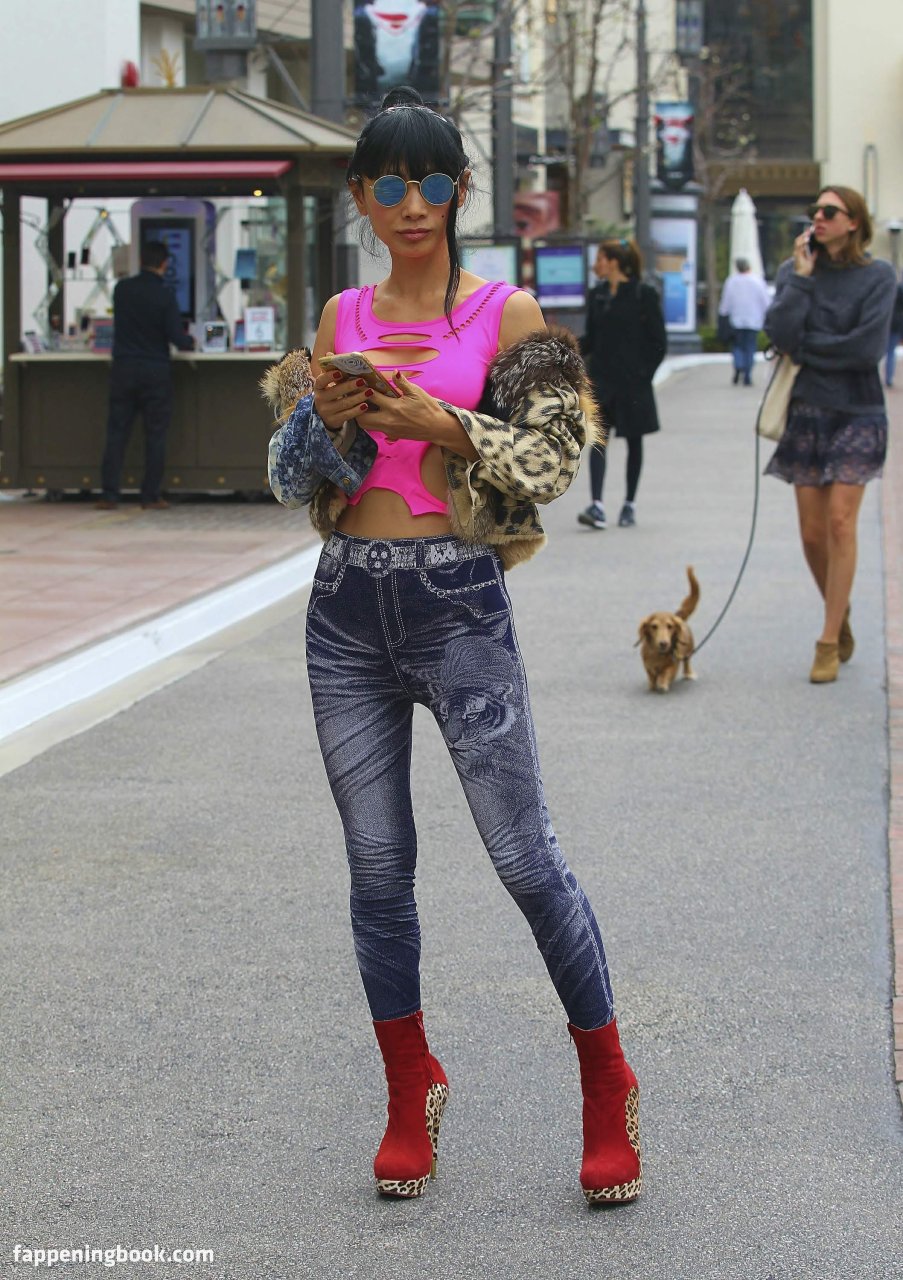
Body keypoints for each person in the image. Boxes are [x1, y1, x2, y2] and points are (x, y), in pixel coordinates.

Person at [265, 86, 642, 1204]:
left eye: (433, 181)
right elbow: (288, 480)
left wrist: (445, 424)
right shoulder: (340, 316)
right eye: (390, 183)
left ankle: (607, 1081)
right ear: (361, 198)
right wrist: (325, 418)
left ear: (461, 191)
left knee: (524, 858)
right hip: (346, 610)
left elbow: (552, 464)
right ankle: (408, 1086)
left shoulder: (506, 314)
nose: (413, 202)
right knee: (377, 868)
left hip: (457, 603)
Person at [764, 185, 896, 684]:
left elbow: (865, 351)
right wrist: (800, 280)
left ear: (854, 222)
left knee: (841, 522)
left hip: (858, 412)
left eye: (829, 211)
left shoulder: (879, 277)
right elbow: (780, 336)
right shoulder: (794, 272)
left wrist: (808, 347)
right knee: (812, 533)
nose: (817, 217)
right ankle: (840, 613)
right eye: (815, 210)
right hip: (806, 411)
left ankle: (827, 639)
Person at [95, 241, 194, 511]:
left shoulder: (122, 290)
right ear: (164, 264)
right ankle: (150, 495)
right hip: (154, 371)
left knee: (117, 433)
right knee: (155, 435)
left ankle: (109, 494)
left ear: (140, 261)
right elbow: (177, 337)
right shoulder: (164, 294)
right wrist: (191, 341)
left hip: (124, 369)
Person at [577, 239, 666, 530]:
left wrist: (644, 375)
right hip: (602, 381)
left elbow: (658, 342)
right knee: (598, 441)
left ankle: (629, 504)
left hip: (633, 384)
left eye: (600, 259)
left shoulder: (643, 294)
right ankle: (597, 505)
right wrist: (564, 348)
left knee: (634, 442)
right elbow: (591, 338)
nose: (596, 265)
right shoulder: (598, 295)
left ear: (614, 262)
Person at [718, 256, 770, 386]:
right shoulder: (757, 281)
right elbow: (765, 301)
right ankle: (747, 373)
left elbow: (725, 302)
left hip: (736, 319)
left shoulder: (731, 281)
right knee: (750, 346)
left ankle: (738, 365)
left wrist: (723, 314)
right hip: (753, 320)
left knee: (737, 345)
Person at [884, 276, 903, 388]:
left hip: (888, 322)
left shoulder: (893, 288)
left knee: (888, 351)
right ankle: (889, 378)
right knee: (890, 351)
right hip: (896, 324)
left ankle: (888, 377)